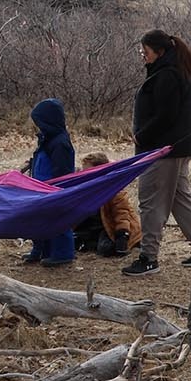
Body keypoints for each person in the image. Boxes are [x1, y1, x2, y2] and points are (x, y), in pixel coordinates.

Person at [122, 29, 191, 276]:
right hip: (178, 148)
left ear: (160, 51)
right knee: (181, 199)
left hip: (163, 151)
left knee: (151, 201)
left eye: (145, 51)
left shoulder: (168, 75)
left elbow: (166, 116)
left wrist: (142, 136)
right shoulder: (178, 70)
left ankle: (148, 257)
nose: (142, 55)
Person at [23, 98, 75, 268]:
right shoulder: (47, 139)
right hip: (39, 188)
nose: (37, 126)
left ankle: (62, 253)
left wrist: (56, 189)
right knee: (38, 220)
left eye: (40, 122)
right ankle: (40, 250)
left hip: (55, 189)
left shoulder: (60, 143)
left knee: (58, 221)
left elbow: (63, 170)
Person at [71, 152, 141, 258]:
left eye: (88, 171)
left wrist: (122, 235)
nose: (85, 174)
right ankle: (88, 242)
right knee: (73, 238)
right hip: (94, 224)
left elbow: (122, 213)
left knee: (106, 248)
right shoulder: (86, 187)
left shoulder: (113, 189)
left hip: (110, 225)